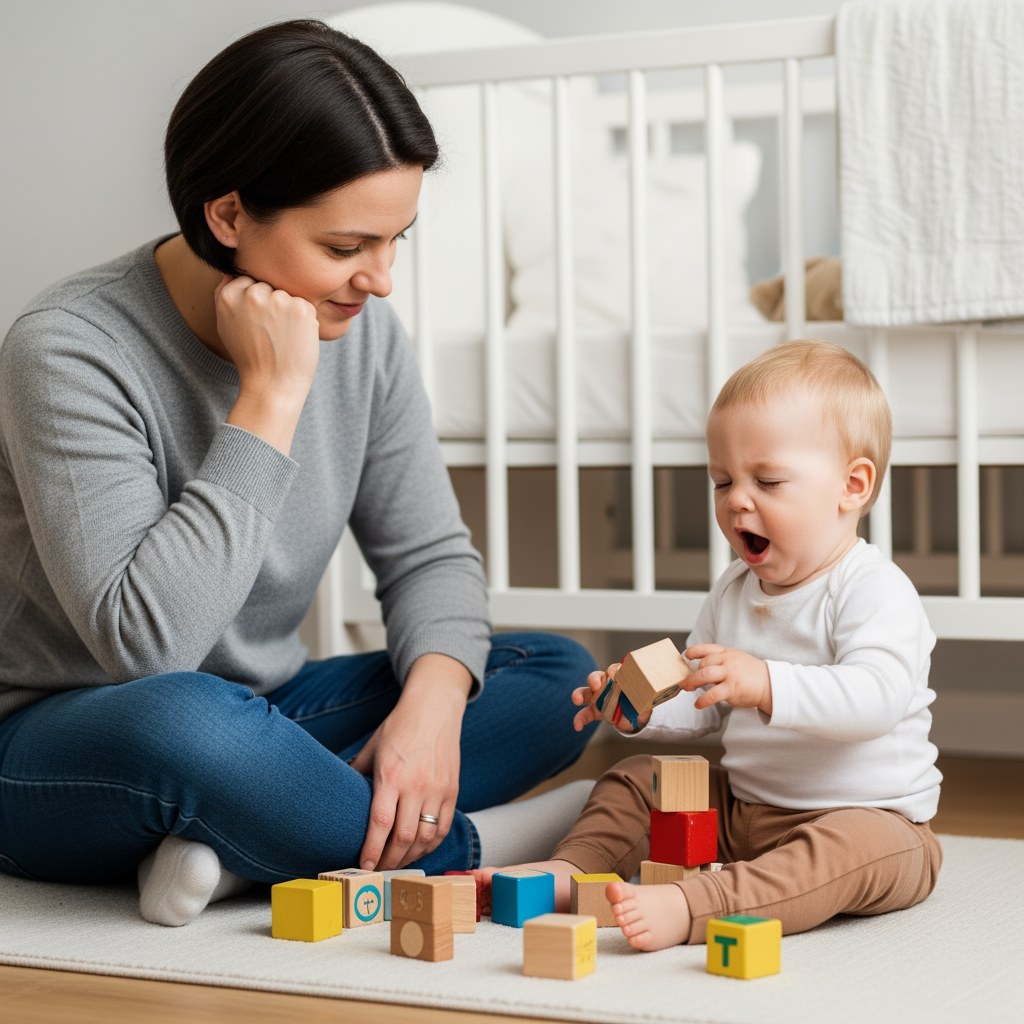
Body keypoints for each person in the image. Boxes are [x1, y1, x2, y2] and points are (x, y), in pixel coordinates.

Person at [0, 19, 598, 927]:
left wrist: (432, 711)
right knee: (190, 724)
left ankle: (254, 845)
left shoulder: (367, 342)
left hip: (263, 713)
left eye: (397, 239)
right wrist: (269, 399)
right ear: (229, 214)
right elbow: (148, 649)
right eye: (347, 246)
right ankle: (486, 847)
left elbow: (430, 558)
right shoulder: (70, 349)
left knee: (556, 672)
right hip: (69, 738)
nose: (382, 280)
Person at [477, 340, 943, 949]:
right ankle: (572, 869)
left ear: (852, 486)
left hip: (871, 821)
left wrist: (765, 682)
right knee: (637, 778)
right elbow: (700, 699)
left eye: (768, 481)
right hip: (744, 810)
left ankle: (694, 904)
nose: (736, 500)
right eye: (722, 481)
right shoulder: (732, 590)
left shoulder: (873, 589)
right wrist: (640, 706)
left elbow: (876, 698)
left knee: (842, 853)